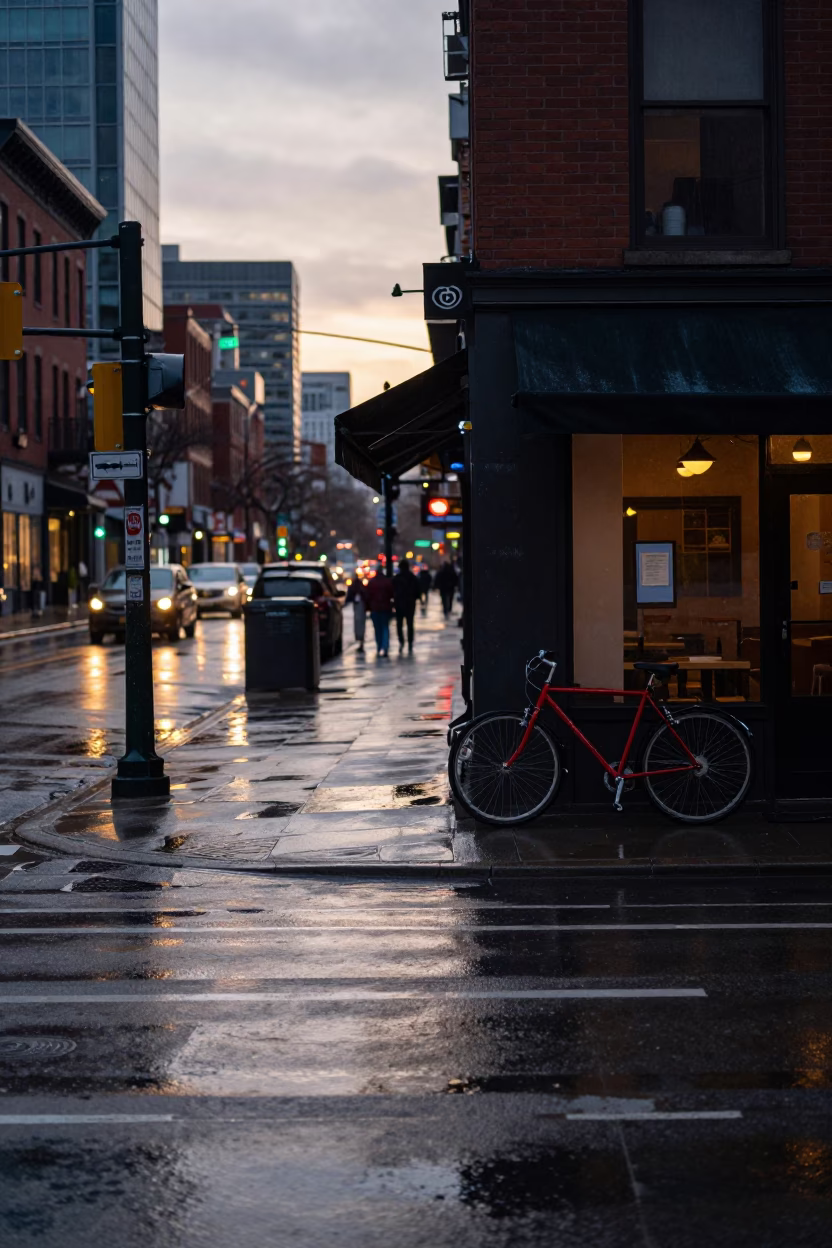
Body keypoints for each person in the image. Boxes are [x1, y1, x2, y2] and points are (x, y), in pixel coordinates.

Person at [363, 562, 394, 657]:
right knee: (385, 627)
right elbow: (391, 594)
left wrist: (367, 607)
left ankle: (379, 646)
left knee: (377, 629)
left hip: (375, 608)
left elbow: (367, 596)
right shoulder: (387, 582)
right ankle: (385, 647)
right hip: (385, 608)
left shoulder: (372, 582)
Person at [393, 558, 421, 653]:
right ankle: (410, 642)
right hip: (410, 604)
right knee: (410, 624)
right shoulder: (413, 578)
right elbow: (418, 591)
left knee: (399, 624)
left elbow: (392, 591)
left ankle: (401, 641)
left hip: (399, 604)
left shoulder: (397, 578)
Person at [345, 578, 367, 652]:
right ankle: (360, 640)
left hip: (359, 608)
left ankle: (360, 640)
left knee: (358, 624)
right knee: (360, 625)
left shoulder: (356, 591)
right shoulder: (361, 591)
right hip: (361, 608)